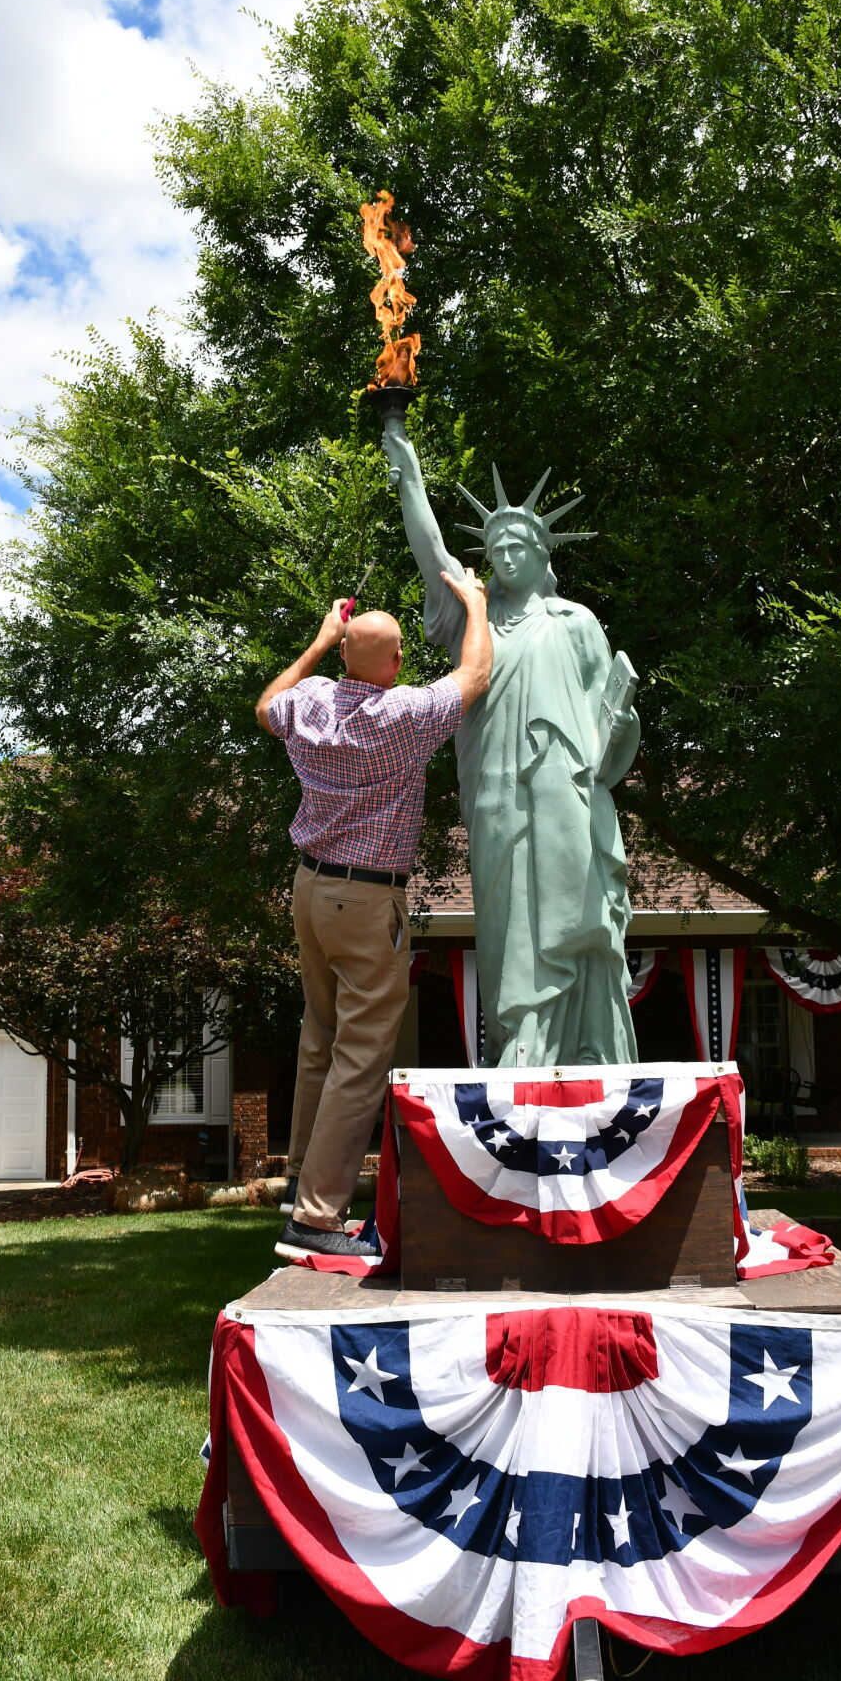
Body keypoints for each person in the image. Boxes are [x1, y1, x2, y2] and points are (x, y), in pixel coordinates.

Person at [381, 422, 641, 1067]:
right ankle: (521, 1036)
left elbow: (607, 714)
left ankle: (586, 1042)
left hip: (565, 788)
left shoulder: (574, 621)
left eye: (517, 543)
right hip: (494, 788)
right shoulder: (470, 617)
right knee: (505, 917)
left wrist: (619, 729)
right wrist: (409, 474)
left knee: (569, 906)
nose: (504, 553)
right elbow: (432, 552)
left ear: (542, 552)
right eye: (495, 545)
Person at [257, 576, 492, 1258]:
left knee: (321, 1035)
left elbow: (265, 701)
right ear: (392, 666)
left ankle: (301, 1174)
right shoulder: (404, 715)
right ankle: (316, 1217)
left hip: (310, 890)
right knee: (359, 1057)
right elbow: (474, 672)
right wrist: (474, 601)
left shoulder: (311, 702)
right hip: (365, 900)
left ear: (343, 656)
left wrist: (318, 640)